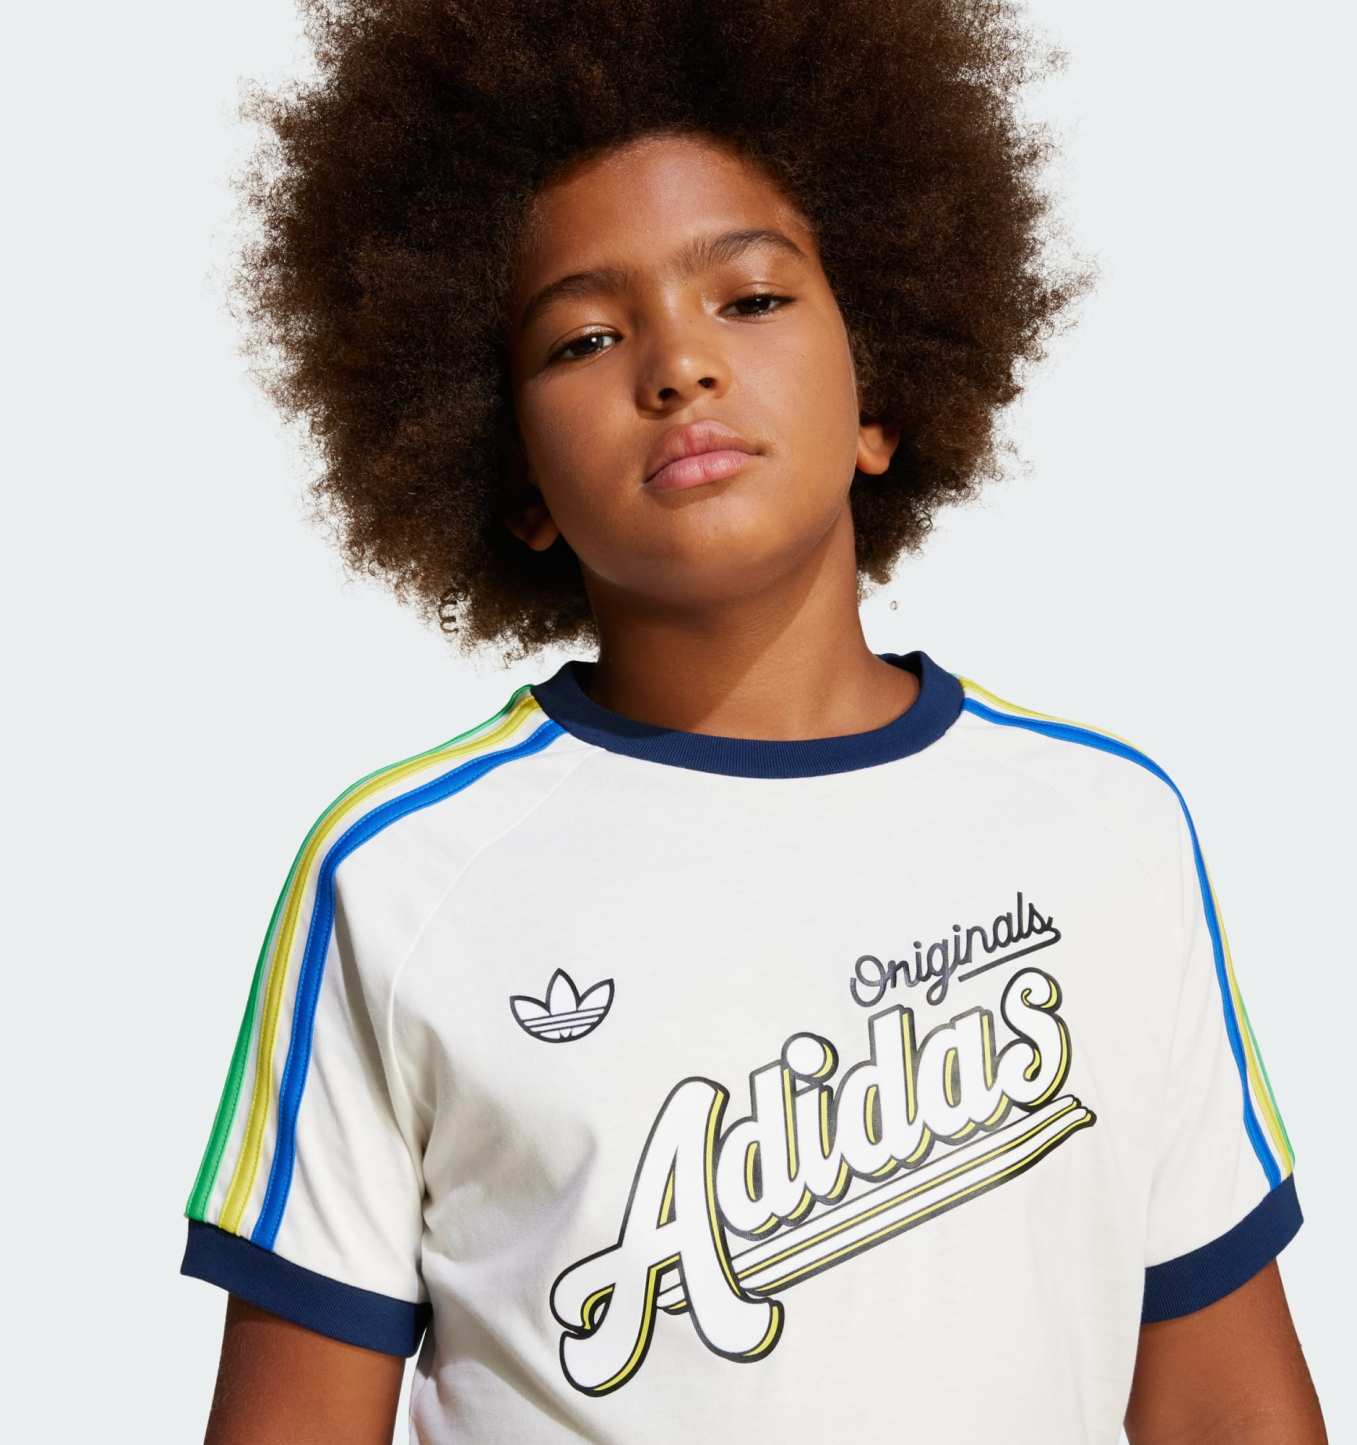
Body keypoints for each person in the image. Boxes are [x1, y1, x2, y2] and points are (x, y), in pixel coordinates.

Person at [179, 1, 1327, 1440]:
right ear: (513, 477)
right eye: (586, 337)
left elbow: (1227, 1406)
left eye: (751, 299)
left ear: (879, 398)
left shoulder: (1108, 827)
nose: (677, 364)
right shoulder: (399, 879)